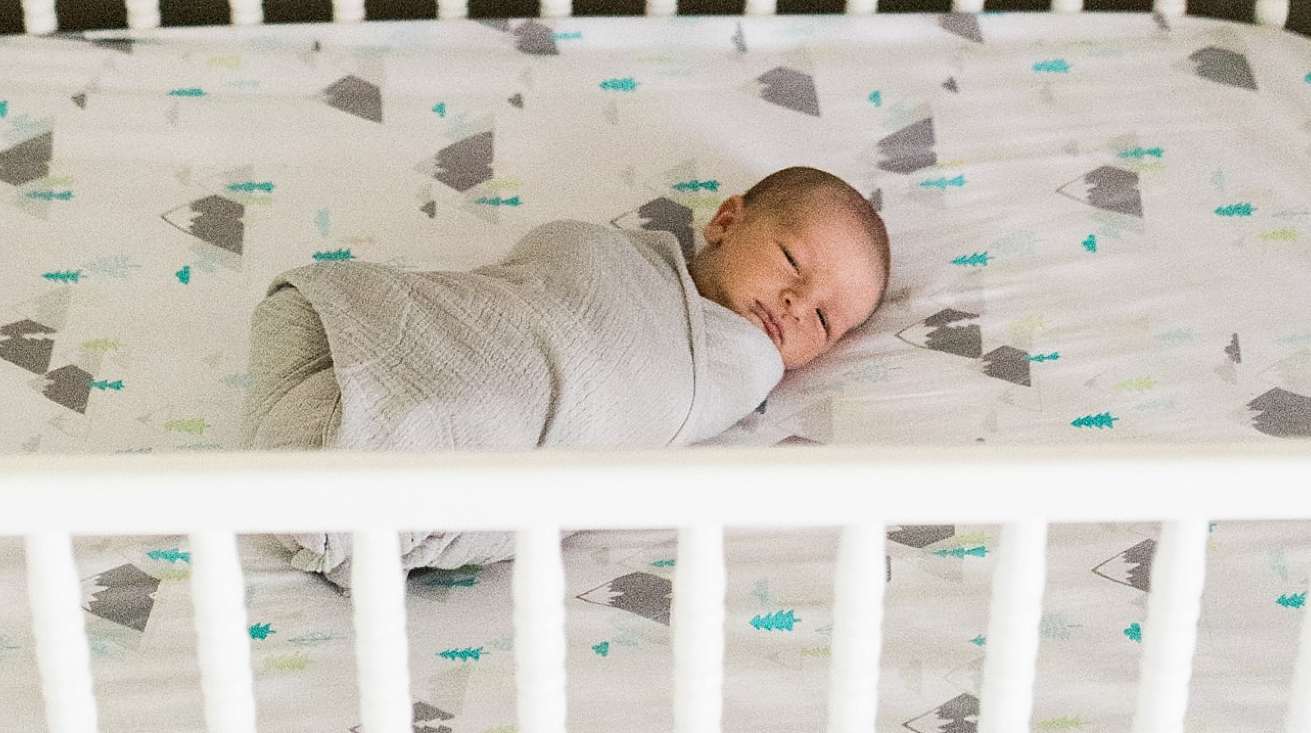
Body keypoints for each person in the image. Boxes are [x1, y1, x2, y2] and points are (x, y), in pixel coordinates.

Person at [242, 166, 889, 581]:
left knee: (473, 419)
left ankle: (371, 455)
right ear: (725, 221)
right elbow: (548, 283)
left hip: (509, 403)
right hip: (504, 328)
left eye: (826, 320)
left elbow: (624, 394)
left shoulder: (739, 367)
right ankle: (368, 418)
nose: (796, 305)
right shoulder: (616, 256)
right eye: (789, 261)